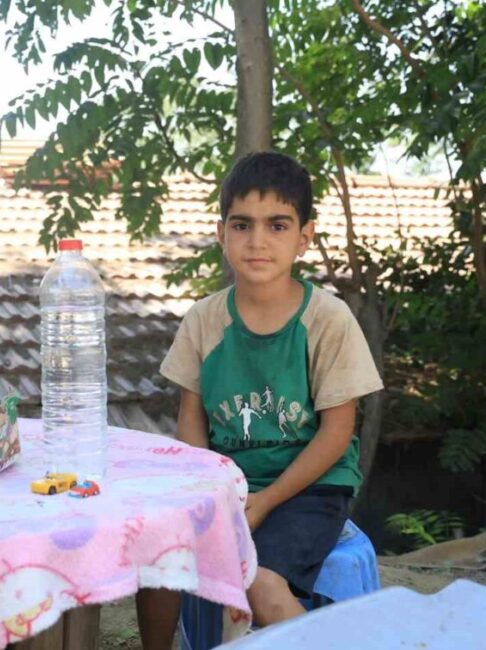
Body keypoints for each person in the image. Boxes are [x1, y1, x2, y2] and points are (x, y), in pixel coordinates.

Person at [135, 152, 384, 648]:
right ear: (221, 232)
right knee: (158, 554)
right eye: (242, 224)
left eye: (277, 225)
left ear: (304, 236)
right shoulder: (204, 320)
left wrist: (265, 501)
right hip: (224, 485)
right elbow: (193, 421)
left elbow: (338, 434)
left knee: (255, 580)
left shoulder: (327, 320)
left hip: (308, 490)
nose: (257, 241)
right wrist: (211, 492)